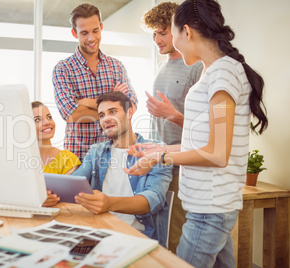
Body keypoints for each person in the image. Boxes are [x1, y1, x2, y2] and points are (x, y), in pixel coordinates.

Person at [125, 0, 268, 267]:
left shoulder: (222, 74)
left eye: (172, 32)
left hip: (210, 208)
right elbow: (202, 143)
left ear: (186, 32)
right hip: (209, 205)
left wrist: (161, 159)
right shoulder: (214, 73)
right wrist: (158, 149)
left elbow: (216, 154)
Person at [72, 91, 172, 247]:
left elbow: (152, 200)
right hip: (99, 235)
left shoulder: (156, 150)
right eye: (101, 115)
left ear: (130, 112)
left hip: (138, 239)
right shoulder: (96, 151)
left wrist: (109, 203)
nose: (106, 119)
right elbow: (75, 182)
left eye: (112, 112)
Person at [141, 1, 202, 253]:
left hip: (184, 165)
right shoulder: (161, 66)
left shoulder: (197, 67)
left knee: (177, 237)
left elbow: (206, 129)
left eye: (162, 32)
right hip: (161, 163)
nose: (156, 39)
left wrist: (173, 115)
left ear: (179, 30)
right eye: (153, 33)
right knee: (161, 233)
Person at [53, 3, 138, 162]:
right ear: (74, 33)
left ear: (101, 27)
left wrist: (86, 103)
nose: (91, 38)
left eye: (95, 30)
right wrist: (113, 108)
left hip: (114, 155)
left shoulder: (116, 66)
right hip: (78, 156)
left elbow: (131, 106)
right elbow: (71, 114)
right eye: (84, 33)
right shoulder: (63, 69)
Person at [32, 101, 81, 207]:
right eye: (37, 119)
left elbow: (69, 198)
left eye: (49, 117)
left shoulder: (68, 159)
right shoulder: (21, 162)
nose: (47, 122)